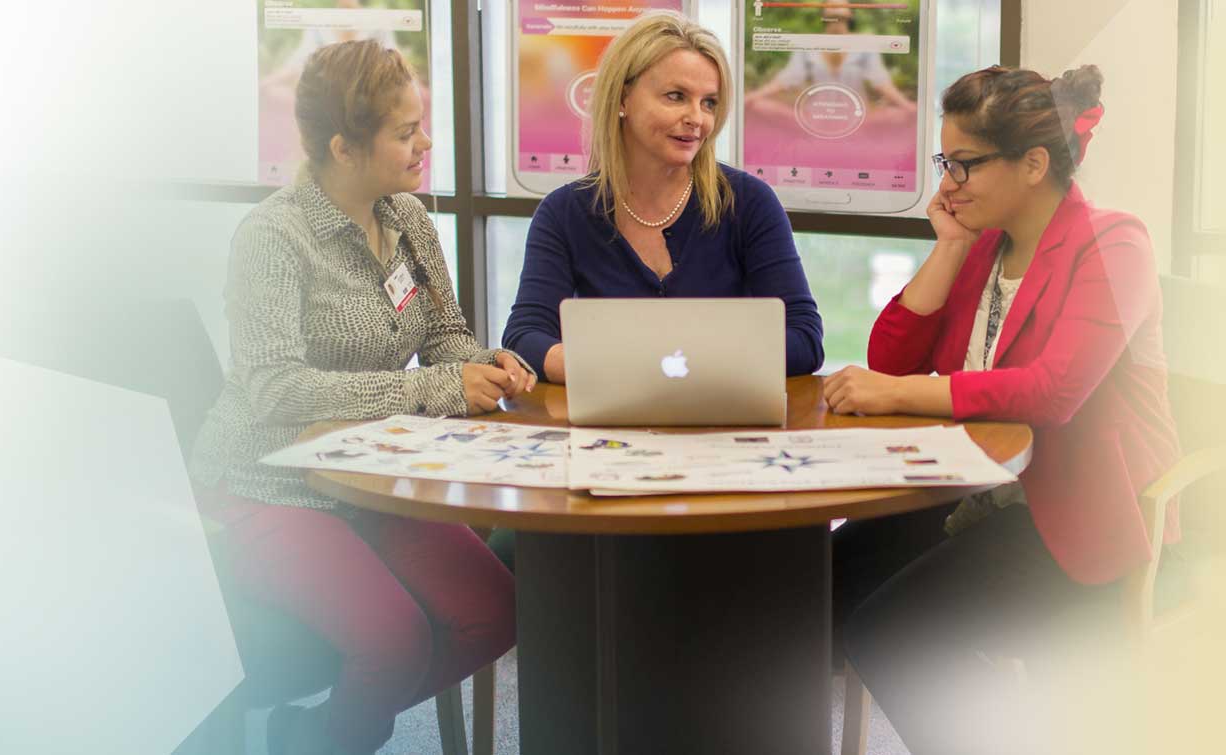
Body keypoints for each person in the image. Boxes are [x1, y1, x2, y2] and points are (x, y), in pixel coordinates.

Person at [821, 64, 1182, 753]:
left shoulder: (1115, 243)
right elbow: (892, 355)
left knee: (889, 635)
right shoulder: (983, 244)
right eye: (943, 162)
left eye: (963, 164)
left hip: (1078, 511)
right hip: (977, 486)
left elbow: (1053, 389)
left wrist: (899, 395)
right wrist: (949, 247)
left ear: (1032, 164)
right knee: (814, 595)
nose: (947, 183)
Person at [189, 39, 530, 755]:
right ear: (344, 148)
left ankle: (312, 734)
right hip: (265, 479)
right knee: (392, 637)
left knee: (493, 611)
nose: (425, 143)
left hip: (366, 474)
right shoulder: (272, 240)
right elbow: (276, 390)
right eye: (406, 132)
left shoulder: (406, 218)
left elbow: (444, 338)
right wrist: (438, 387)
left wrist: (488, 364)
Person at [500, 12, 825, 385]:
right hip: (612, 429)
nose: (697, 119)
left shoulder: (749, 202)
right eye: (676, 97)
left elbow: (804, 339)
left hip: (720, 427)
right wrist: (604, 368)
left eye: (709, 103)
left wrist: (679, 365)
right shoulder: (564, 212)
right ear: (623, 98)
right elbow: (524, 337)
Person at [742, 0, 918, 121]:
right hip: (814, 118)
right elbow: (787, 79)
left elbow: (881, 82)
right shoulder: (808, 43)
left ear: (850, 12)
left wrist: (907, 107)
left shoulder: (864, 42)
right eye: (831, 4)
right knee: (760, 106)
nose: (835, 7)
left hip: (859, 119)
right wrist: (751, 98)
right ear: (824, 11)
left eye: (841, 4)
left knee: (899, 115)